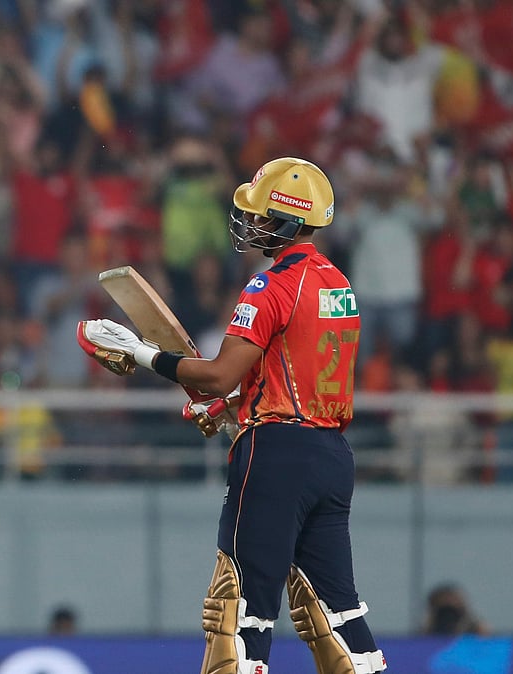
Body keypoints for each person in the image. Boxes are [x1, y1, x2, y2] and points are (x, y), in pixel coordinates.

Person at [78, 157, 385, 674]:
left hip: (275, 456)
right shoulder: (339, 286)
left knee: (239, 616)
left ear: (289, 220)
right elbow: (293, 377)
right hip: (331, 458)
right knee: (338, 617)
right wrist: (233, 406)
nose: (253, 223)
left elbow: (220, 373)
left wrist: (143, 355)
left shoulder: (270, 286)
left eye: (263, 214)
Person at [423, 583, 488, 636]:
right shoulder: (423, 639)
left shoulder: (477, 636)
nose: (448, 618)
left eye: (453, 612)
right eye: (443, 612)